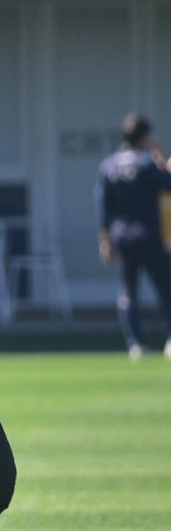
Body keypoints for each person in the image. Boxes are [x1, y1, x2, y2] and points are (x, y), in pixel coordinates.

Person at [96, 113, 171, 359]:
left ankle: (136, 344)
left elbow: (103, 208)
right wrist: (159, 155)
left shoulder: (108, 166)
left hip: (122, 238)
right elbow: (168, 183)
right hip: (149, 236)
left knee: (127, 292)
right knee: (166, 290)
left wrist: (104, 240)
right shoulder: (146, 164)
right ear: (145, 136)